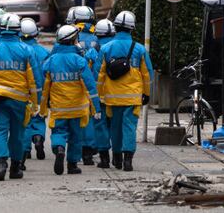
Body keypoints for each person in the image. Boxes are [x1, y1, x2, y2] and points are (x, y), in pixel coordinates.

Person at [0, 13, 39, 181]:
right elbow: (34, 79)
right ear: (18, 30)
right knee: (18, 133)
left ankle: (1, 162)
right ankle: (16, 167)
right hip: (19, 100)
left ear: (1, 29)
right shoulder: (27, 50)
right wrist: (35, 101)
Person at [40, 25, 101, 176]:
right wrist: (96, 108)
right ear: (73, 40)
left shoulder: (51, 61)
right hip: (77, 108)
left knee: (58, 131)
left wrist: (42, 108)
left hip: (58, 107)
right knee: (76, 137)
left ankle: (59, 149)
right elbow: (90, 86)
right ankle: (72, 165)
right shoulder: (80, 61)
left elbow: (45, 86)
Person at [97, 11, 153, 172]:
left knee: (115, 127)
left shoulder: (106, 49)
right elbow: (147, 74)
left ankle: (116, 157)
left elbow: (100, 75)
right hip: (133, 97)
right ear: (131, 28)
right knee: (129, 127)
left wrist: (99, 95)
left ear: (115, 27)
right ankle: (128, 160)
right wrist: (146, 93)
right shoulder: (140, 49)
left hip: (111, 98)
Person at [19, 18, 50, 164]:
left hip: (23, 92)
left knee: (25, 120)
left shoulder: (19, 50)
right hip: (41, 92)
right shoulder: (44, 52)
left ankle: (25, 150)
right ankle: (38, 138)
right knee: (39, 117)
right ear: (35, 34)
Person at [92, 19, 116, 168]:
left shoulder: (94, 51)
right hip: (118, 94)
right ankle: (119, 157)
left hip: (100, 95)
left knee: (100, 126)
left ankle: (104, 158)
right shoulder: (119, 48)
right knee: (116, 125)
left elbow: (91, 74)